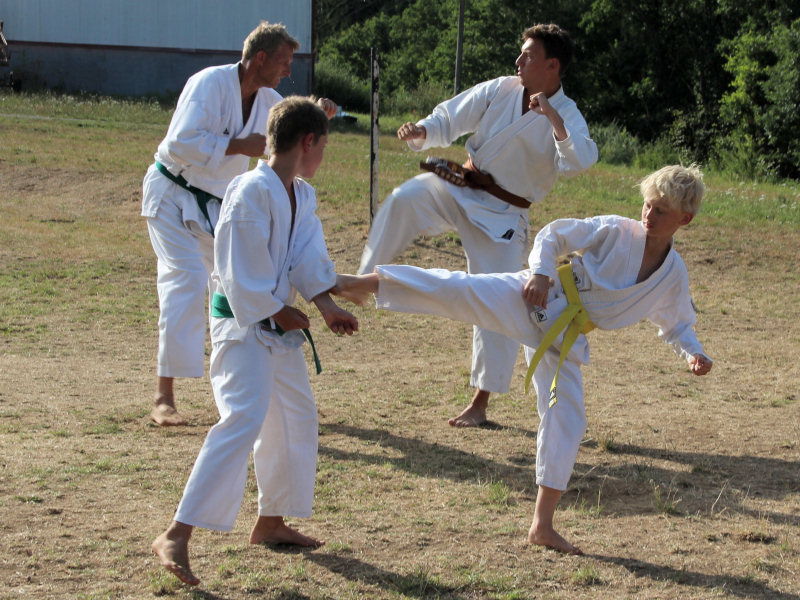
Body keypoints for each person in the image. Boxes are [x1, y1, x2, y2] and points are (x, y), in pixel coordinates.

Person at [336, 164, 713, 554]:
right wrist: (541, 273)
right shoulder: (616, 230)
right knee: (461, 290)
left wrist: (694, 353)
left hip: (564, 335)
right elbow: (554, 235)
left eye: (661, 211)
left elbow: (677, 323)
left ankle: (542, 526)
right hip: (537, 296)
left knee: (567, 417)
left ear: (684, 219)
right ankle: (358, 283)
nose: (649, 215)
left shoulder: (672, 274)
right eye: (648, 205)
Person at [152, 96, 358, 586]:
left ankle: (271, 521)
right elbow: (237, 270)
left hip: (277, 327)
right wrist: (278, 310)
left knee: (294, 416)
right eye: (323, 146)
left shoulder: (300, 194)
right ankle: (177, 533)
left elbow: (306, 258)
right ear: (308, 141)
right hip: (243, 326)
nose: (322, 155)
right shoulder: (249, 190)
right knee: (243, 418)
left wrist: (325, 306)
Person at [358, 23, 598, 428]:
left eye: (528, 56)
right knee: (405, 198)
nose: (518, 61)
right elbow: (454, 113)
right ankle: (362, 281)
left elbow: (579, 161)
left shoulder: (567, 114)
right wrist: (424, 130)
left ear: (552, 66)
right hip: (463, 187)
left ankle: (481, 402)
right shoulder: (503, 88)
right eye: (521, 53)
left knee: (497, 299)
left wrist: (553, 117)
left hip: (504, 216)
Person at [142, 21, 337, 426]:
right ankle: (164, 395)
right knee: (186, 278)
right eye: (283, 61)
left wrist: (316, 115)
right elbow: (178, 143)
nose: (288, 70)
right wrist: (236, 145)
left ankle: (238, 387)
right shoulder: (209, 84)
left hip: (215, 207)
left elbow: (287, 127)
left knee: (232, 286)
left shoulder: (268, 100)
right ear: (260, 58)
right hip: (172, 195)